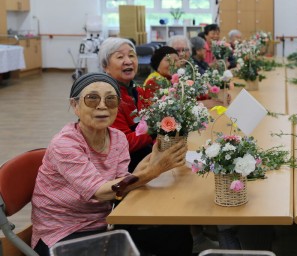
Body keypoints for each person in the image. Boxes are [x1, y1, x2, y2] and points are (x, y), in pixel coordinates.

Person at [31, 73, 192, 256]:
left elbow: (119, 186)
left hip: (106, 220)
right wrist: (153, 170)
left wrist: (149, 164)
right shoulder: (65, 144)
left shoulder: (117, 138)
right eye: (92, 99)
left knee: (176, 233)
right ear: (75, 105)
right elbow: (101, 192)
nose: (102, 106)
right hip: (65, 231)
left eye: (110, 99)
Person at [98, 37, 153, 171]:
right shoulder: (107, 99)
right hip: (122, 168)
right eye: (120, 57)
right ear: (106, 66)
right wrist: (157, 127)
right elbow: (124, 144)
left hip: (144, 158)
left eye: (131, 55)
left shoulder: (138, 90)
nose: (128, 61)